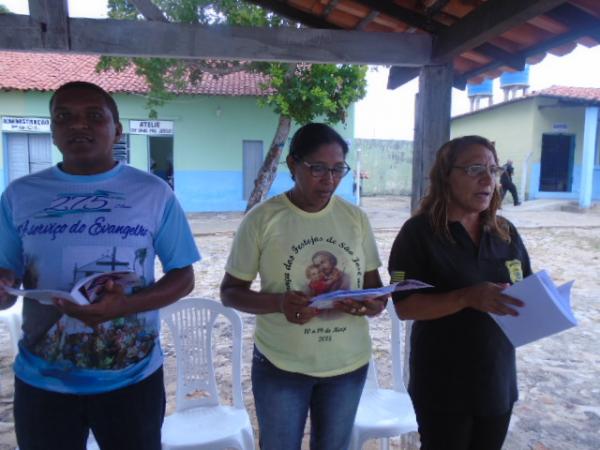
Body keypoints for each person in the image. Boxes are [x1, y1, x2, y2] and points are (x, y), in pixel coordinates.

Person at [0, 81, 200, 450]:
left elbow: (184, 276)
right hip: (43, 382)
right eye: (64, 117)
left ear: (117, 130)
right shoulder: (19, 195)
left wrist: (127, 306)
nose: (79, 125)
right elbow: (5, 286)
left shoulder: (153, 193)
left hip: (132, 380)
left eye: (94, 116)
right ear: (53, 129)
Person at [220, 123, 387, 450]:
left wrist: (371, 304)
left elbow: (375, 291)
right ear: (293, 165)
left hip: (347, 366)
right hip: (282, 366)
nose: (329, 179)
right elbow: (229, 292)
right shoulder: (262, 219)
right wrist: (280, 302)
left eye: (338, 169)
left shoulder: (356, 219)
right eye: (318, 168)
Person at [388, 135, 531, 450]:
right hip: (443, 387)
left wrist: (544, 304)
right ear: (446, 177)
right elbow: (405, 306)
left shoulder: (505, 232)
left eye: (493, 170)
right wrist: (467, 297)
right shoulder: (418, 234)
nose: (487, 180)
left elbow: (525, 288)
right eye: (475, 169)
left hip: (497, 381)